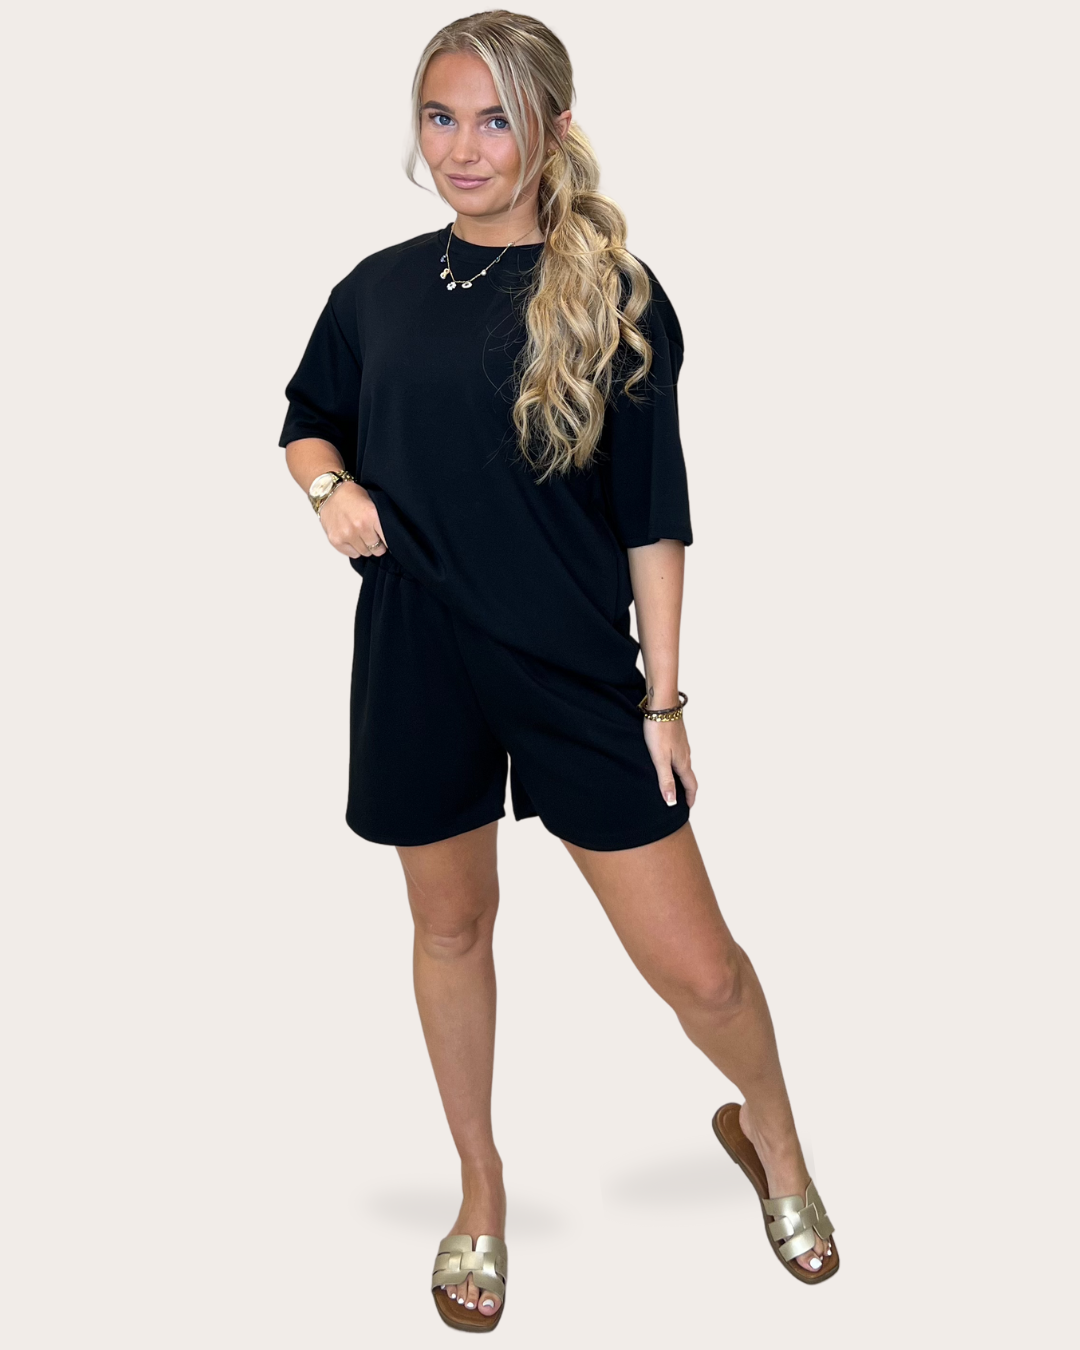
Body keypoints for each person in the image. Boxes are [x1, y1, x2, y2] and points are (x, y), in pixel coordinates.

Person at [278, 9, 838, 1331]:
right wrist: (330, 493)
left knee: (702, 971)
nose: (463, 149)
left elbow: (654, 513)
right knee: (450, 928)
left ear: (554, 129)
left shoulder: (614, 293)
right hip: (417, 653)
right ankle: (480, 1187)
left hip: (576, 667)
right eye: (440, 117)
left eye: (495, 120)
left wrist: (665, 697)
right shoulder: (375, 289)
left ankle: (772, 1135)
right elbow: (307, 418)